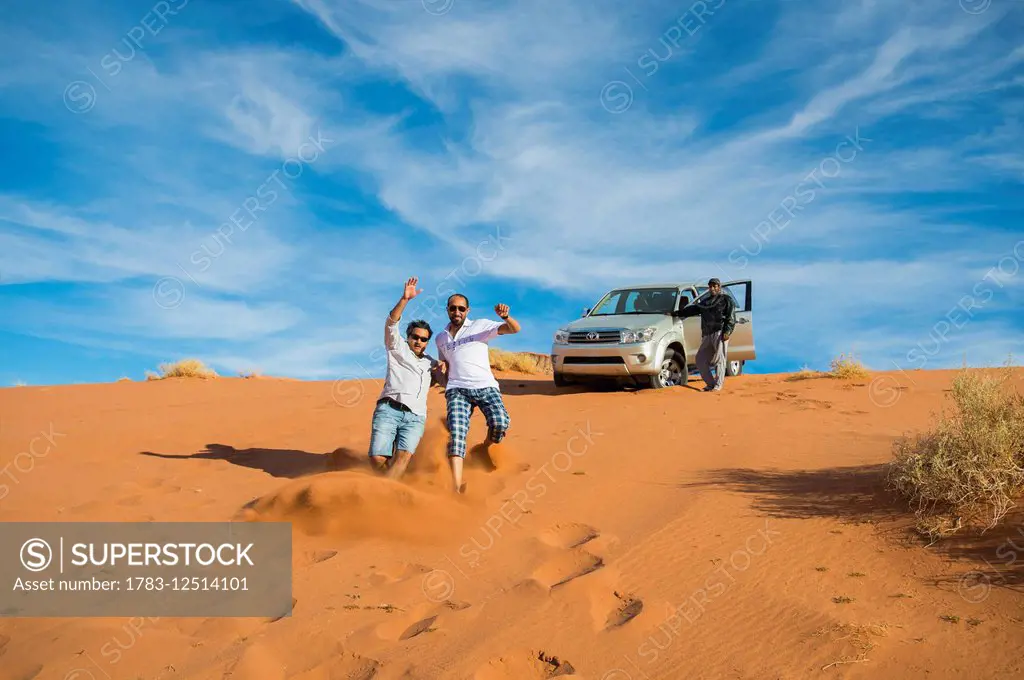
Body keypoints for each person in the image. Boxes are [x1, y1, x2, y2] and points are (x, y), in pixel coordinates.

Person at [435, 293, 521, 494]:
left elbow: (514, 329)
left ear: (468, 310)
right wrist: (445, 383)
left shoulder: (480, 326)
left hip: (485, 386)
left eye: (461, 308)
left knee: (500, 422)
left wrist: (506, 317)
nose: (457, 312)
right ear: (447, 309)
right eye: (453, 308)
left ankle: (485, 446)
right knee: (457, 433)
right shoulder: (441, 338)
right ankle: (456, 486)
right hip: (457, 390)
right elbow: (445, 364)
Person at [368, 277, 445, 480]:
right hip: (389, 409)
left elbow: (444, 382)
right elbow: (391, 323)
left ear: (427, 341)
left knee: (402, 458)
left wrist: (445, 368)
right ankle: (391, 485)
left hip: (416, 417)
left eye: (423, 339)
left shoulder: (431, 363)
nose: (418, 341)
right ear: (408, 337)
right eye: (415, 337)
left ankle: (388, 495)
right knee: (377, 458)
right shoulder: (397, 347)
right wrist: (405, 299)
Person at [677, 278, 736, 392]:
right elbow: (693, 309)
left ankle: (718, 385)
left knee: (720, 359)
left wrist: (727, 331)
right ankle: (710, 384)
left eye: (715, 286)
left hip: (720, 332)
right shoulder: (705, 301)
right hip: (707, 333)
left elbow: (731, 317)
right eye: (711, 286)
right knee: (700, 359)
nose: (713, 288)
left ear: (719, 287)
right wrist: (677, 313)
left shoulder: (726, 300)